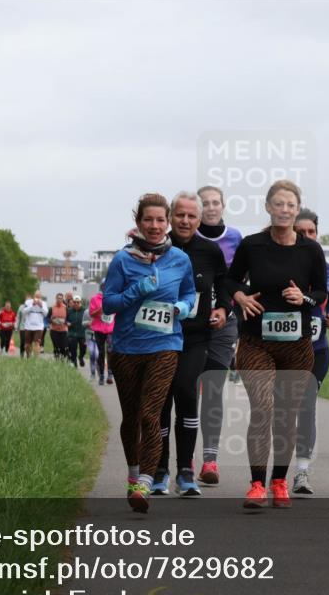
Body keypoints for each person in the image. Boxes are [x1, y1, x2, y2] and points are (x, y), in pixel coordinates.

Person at [227, 180, 326, 509]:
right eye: (278, 204)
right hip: (256, 341)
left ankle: (280, 481)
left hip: (296, 344)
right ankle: (257, 484)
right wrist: (239, 295)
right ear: (268, 207)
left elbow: (322, 293)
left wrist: (305, 297)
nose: (284, 210)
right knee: (263, 409)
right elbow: (231, 279)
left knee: (286, 415)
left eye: (290, 205)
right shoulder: (252, 245)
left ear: (297, 210)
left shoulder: (310, 250)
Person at [104, 192, 195, 513]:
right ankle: (132, 474)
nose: (155, 226)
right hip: (127, 347)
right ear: (138, 223)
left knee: (150, 415)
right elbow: (108, 303)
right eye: (148, 220)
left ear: (167, 222)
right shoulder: (122, 259)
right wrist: (134, 292)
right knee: (131, 419)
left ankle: (145, 479)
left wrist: (185, 306)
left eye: (160, 220)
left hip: (165, 345)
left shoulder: (180, 259)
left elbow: (188, 292)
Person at [154, 191, 229, 496]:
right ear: (171, 216)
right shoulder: (156, 248)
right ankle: (158, 470)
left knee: (186, 391)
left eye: (191, 216)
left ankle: (185, 470)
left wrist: (224, 308)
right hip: (157, 337)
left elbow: (225, 284)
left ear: (199, 219)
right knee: (160, 401)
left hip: (195, 338)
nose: (185, 221)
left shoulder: (210, 251)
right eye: (180, 215)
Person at [195, 185, 243, 484]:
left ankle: (210, 460)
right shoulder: (187, 236)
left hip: (225, 324)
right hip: (190, 325)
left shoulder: (236, 238)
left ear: (223, 206)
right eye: (205, 204)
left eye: (215, 203)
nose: (211, 208)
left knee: (212, 389)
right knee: (186, 390)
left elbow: (242, 277)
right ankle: (183, 458)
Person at [290, 209, 329, 495]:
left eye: (311, 232)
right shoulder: (285, 264)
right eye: (301, 232)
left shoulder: (326, 268)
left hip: (318, 349)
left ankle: (302, 471)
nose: (307, 237)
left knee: (306, 406)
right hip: (285, 349)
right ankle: (276, 473)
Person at [90, 283, 115, 384]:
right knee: (101, 352)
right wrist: (99, 310)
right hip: (99, 329)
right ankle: (101, 375)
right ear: (102, 287)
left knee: (110, 351)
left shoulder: (114, 298)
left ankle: (110, 374)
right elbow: (92, 313)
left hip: (111, 330)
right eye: (104, 285)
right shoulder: (95, 298)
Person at [22, 291, 48, 358]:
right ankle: (28, 356)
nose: (37, 298)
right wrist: (32, 305)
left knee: (37, 343)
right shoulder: (28, 302)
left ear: (40, 297)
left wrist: (41, 306)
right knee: (27, 344)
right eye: (36, 296)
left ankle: (36, 358)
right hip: (28, 326)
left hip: (39, 326)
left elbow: (46, 313)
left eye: (39, 297)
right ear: (34, 296)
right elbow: (24, 311)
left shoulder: (44, 303)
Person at [67, 295, 88, 367]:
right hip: (72, 333)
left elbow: (88, 319)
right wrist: (67, 323)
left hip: (82, 333)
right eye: (74, 302)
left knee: (83, 349)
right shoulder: (69, 311)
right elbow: (65, 320)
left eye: (77, 302)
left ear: (80, 303)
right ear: (72, 302)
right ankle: (74, 362)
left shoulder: (84, 311)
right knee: (73, 349)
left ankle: (81, 357)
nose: (76, 304)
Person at [50, 294, 69, 360]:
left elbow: (68, 318)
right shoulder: (52, 307)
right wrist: (52, 320)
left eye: (60, 298)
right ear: (56, 299)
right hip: (54, 330)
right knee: (56, 346)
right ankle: (57, 359)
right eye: (58, 298)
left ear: (62, 299)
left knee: (63, 346)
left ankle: (63, 359)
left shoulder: (65, 307)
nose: (59, 300)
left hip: (63, 330)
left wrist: (66, 322)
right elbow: (47, 318)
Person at [16, 293, 31, 358]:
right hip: (23, 327)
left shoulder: (32, 308)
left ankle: (28, 356)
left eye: (29, 300)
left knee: (29, 343)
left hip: (30, 328)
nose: (28, 301)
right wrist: (17, 326)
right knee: (23, 342)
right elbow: (18, 317)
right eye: (27, 299)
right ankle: (21, 356)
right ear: (25, 300)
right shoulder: (21, 307)